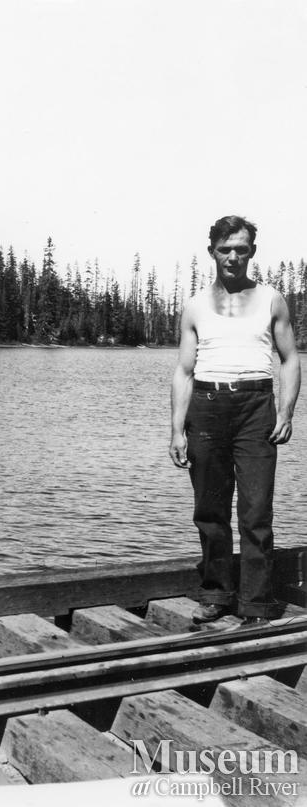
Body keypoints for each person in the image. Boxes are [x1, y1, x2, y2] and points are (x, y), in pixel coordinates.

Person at [169, 215, 301, 626]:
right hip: (206, 407)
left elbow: (290, 359)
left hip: (255, 407)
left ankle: (257, 603)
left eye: (241, 249)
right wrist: (176, 429)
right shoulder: (195, 306)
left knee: (256, 509)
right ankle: (216, 594)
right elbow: (184, 370)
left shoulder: (271, 300)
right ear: (212, 251)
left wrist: (286, 411)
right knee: (210, 508)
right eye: (225, 249)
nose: (232, 257)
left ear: (252, 252)